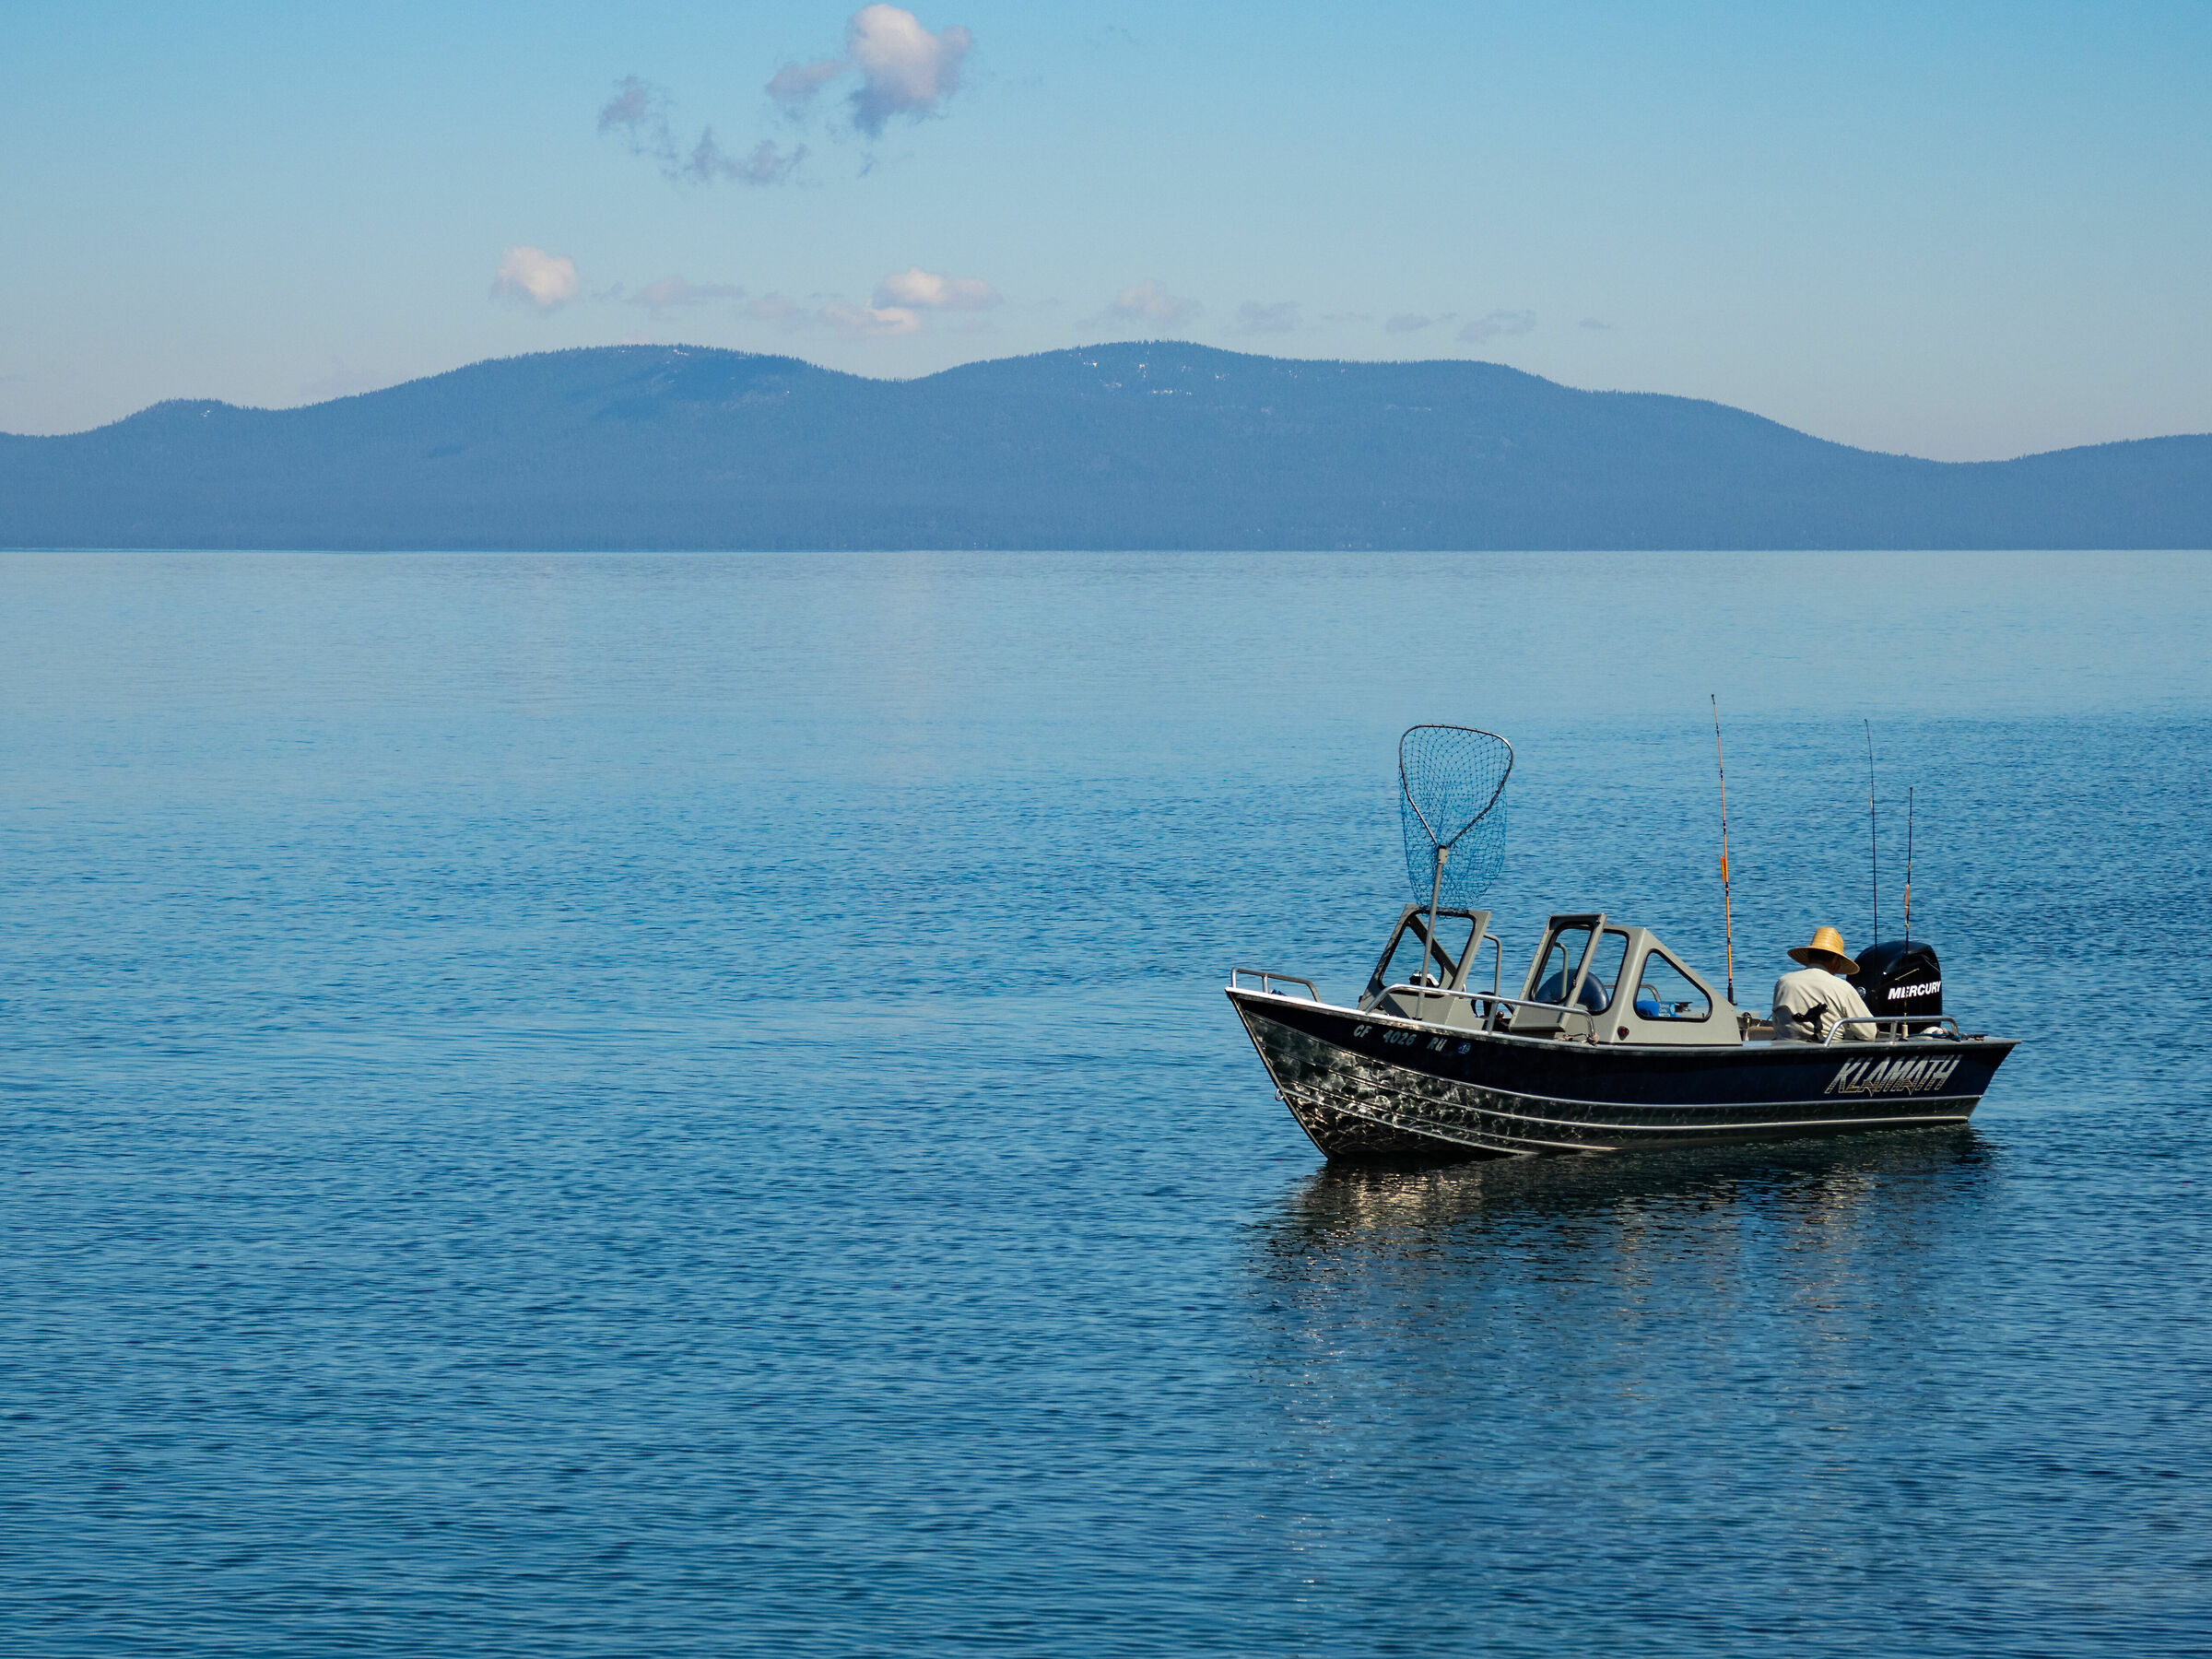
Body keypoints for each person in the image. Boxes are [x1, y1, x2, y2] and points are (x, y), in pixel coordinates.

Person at [1772, 926, 1876, 1041]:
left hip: (1785, 1051)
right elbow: (1869, 1033)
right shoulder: (1842, 988)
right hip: (1830, 1053)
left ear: (1809, 955)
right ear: (1836, 959)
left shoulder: (1783, 982)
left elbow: (1777, 1024)